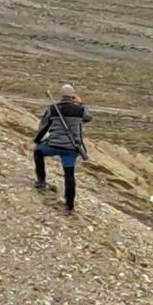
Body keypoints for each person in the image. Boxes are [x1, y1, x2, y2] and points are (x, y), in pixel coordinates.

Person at [32, 83, 92, 216]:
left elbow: (44, 126)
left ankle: (41, 181)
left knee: (38, 152)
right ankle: (69, 206)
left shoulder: (53, 109)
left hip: (53, 145)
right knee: (69, 175)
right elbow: (88, 118)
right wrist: (80, 104)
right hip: (71, 148)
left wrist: (37, 140)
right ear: (73, 96)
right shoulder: (79, 110)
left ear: (62, 95)